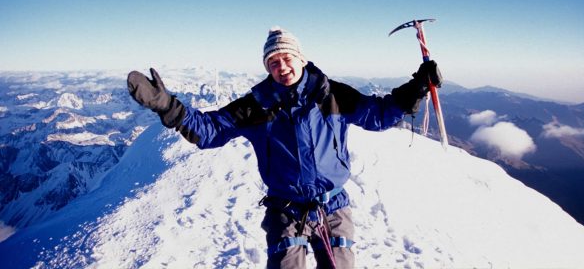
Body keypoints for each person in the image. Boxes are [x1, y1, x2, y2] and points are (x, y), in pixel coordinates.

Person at [127, 26, 442, 269]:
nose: (282, 66)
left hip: (333, 206)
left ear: (301, 58)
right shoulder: (257, 105)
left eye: (287, 58)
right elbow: (211, 131)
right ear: (268, 68)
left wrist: (417, 86)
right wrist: (167, 107)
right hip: (286, 209)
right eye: (273, 62)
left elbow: (379, 115)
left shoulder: (331, 95)